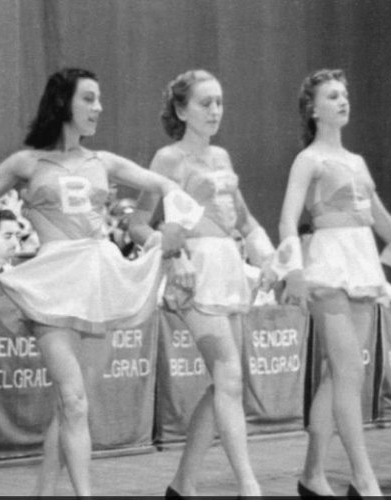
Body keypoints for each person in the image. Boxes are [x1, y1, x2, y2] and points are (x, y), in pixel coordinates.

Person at [0, 67, 200, 496]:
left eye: (99, 99)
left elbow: (168, 187)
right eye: (89, 98)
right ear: (64, 102)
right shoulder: (26, 163)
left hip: (98, 283)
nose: (99, 108)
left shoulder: (105, 162)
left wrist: (172, 230)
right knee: (73, 400)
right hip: (53, 284)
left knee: (73, 406)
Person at [275, 68, 391, 497]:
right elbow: (287, 218)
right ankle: (364, 478)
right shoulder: (309, 159)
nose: (343, 101)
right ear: (313, 109)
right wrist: (294, 271)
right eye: (332, 96)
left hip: (361, 265)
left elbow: (381, 219)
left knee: (338, 375)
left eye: (344, 94)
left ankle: (312, 474)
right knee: (349, 371)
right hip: (328, 266)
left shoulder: (357, 161)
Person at [129, 69, 272, 497]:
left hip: (229, 270)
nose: (215, 110)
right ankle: (249, 487)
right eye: (205, 103)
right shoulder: (168, 158)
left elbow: (243, 220)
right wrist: (173, 254)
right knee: (229, 377)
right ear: (180, 110)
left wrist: (270, 257)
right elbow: (138, 223)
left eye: (220, 102)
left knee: (227, 381)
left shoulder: (222, 157)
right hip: (194, 275)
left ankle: (183, 483)